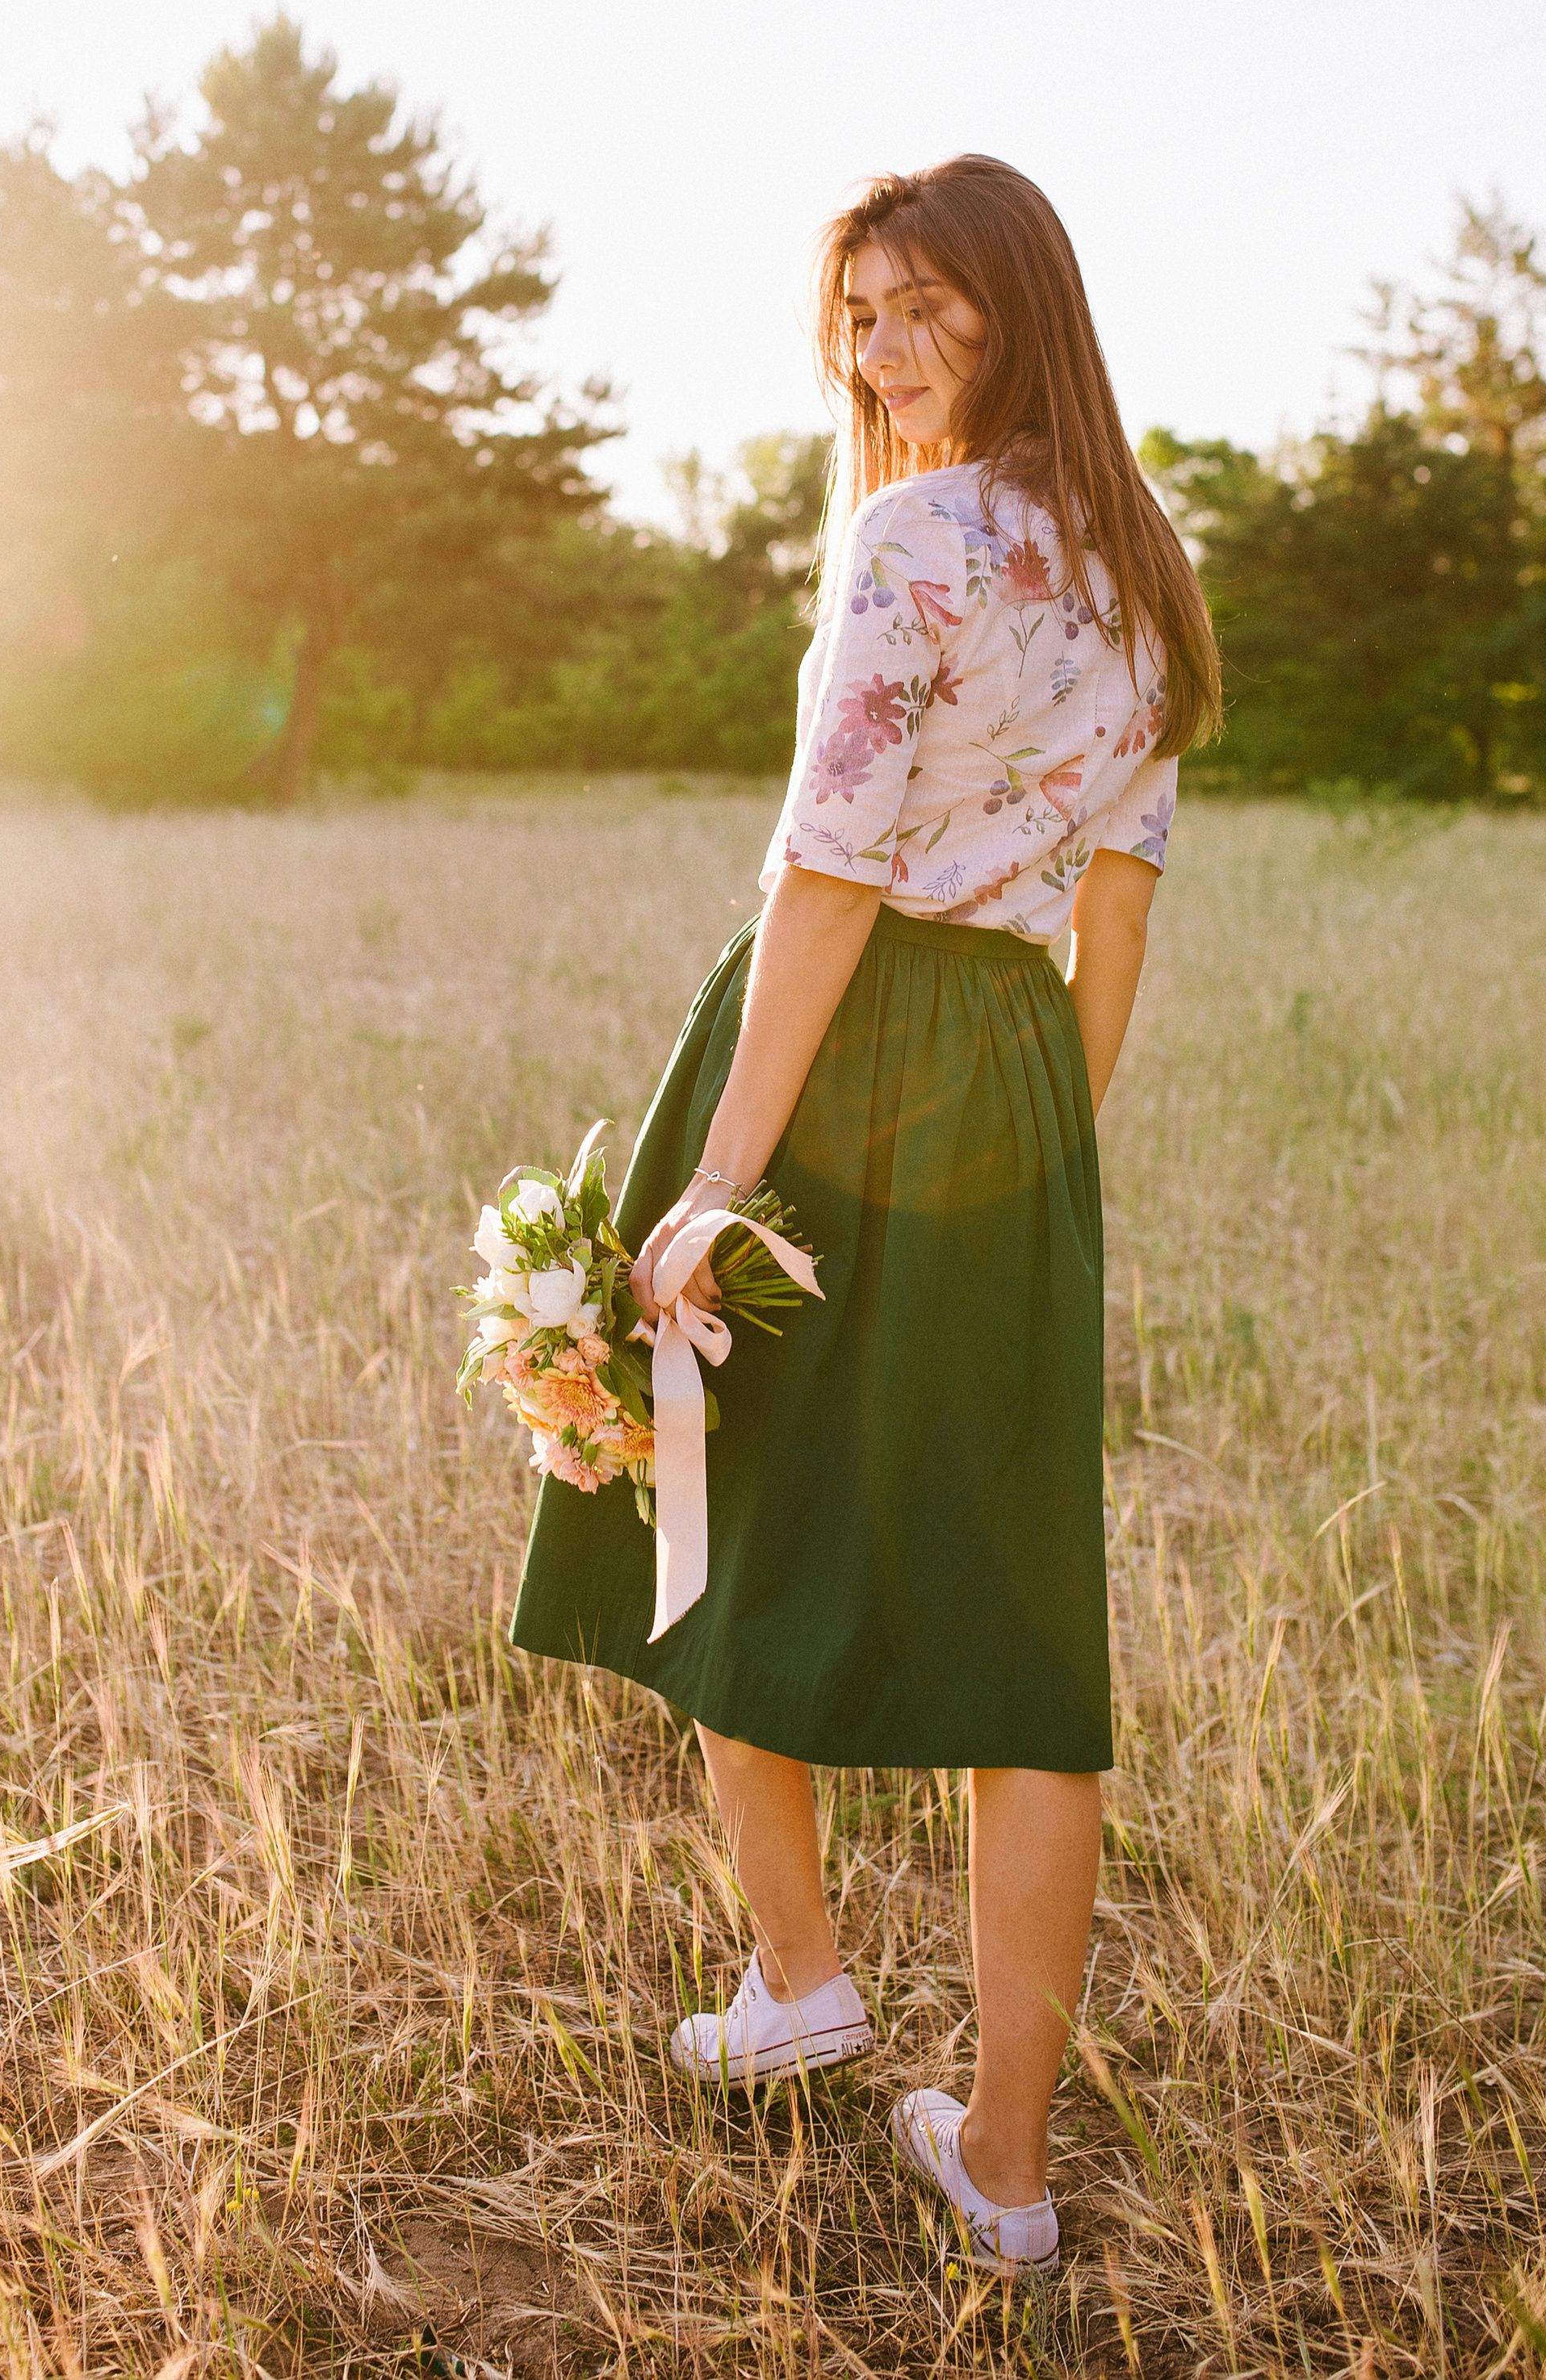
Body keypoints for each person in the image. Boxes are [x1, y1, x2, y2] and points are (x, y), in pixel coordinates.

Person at [509, 155, 1222, 2277]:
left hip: (840, 1054)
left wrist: (721, 1176)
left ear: (1021, 321)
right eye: (862, 313)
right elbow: (1115, 923)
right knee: (1015, 1603)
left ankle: (816, 1974)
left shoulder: (915, 536)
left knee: (708, 1467)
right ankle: (985, 2148)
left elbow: (823, 878)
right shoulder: (1149, 567)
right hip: (1012, 1068)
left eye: (931, 312)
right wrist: (1048, 1160)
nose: (884, 351)